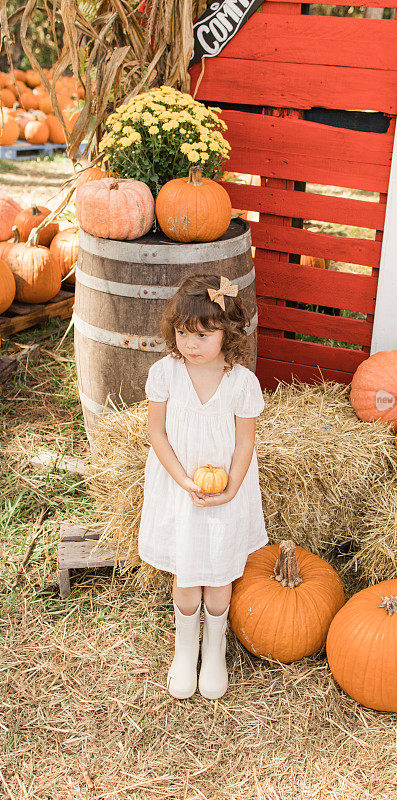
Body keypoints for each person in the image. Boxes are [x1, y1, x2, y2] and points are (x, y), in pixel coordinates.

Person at [138, 274, 267, 700]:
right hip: (181, 487)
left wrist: (230, 489)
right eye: (181, 333)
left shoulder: (242, 383)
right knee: (187, 572)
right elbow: (157, 434)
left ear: (227, 334)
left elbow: (246, 441)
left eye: (203, 334)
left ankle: (214, 647)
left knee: (219, 574)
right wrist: (181, 480)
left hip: (226, 491)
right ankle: (184, 648)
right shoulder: (165, 374)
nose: (190, 344)